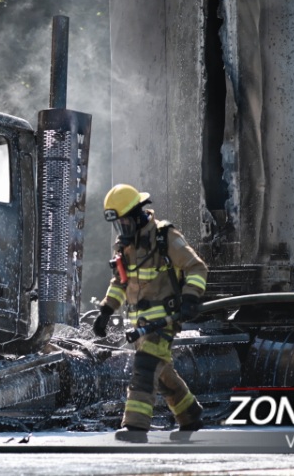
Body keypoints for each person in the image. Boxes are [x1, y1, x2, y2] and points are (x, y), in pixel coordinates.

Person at [92, 184, 208, 442]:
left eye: (124, 222)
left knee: (144, 368)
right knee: (162, 372)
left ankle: (135, 428)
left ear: (136, 214)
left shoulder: (164, 236)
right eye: (118, 225)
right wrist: (106, 311)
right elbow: (119, 282)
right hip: (140, 324)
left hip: (164, 322)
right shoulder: (124, 246)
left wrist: (190, 298)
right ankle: (190, 414)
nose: (121, 230)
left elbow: (196, 268)